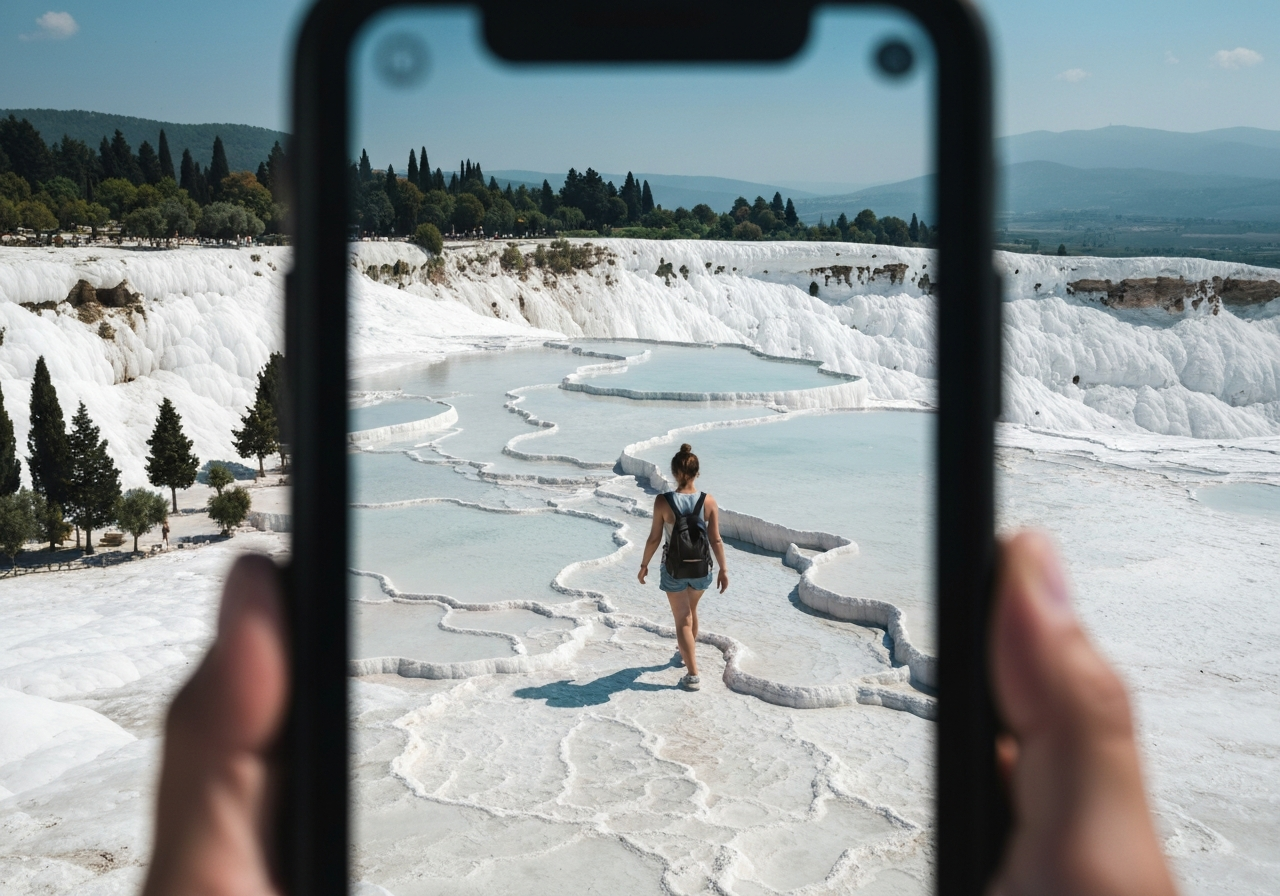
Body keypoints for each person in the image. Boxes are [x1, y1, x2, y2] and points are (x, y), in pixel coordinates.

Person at [142, 531, 1178, 895]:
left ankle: (686, 664)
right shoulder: (704, 502)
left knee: (683, 628)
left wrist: (655, 562)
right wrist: (713, 566)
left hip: (674, 575)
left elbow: (665, 536)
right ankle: (687, 666)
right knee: (689, 629)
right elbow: (712, 538)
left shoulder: (674, 503)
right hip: (692, 575)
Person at [637, 443, 729, 691]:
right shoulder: (708, 501)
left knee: (682, 619)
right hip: (701, 569)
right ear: (697, 473)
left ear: (674, 472)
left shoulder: (663, 501)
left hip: (674, 570)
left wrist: (644, 565)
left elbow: (654, 539)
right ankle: (686, 652)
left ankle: (692, 675)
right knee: (691, 612)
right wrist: (723, 569)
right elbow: (716, 540)